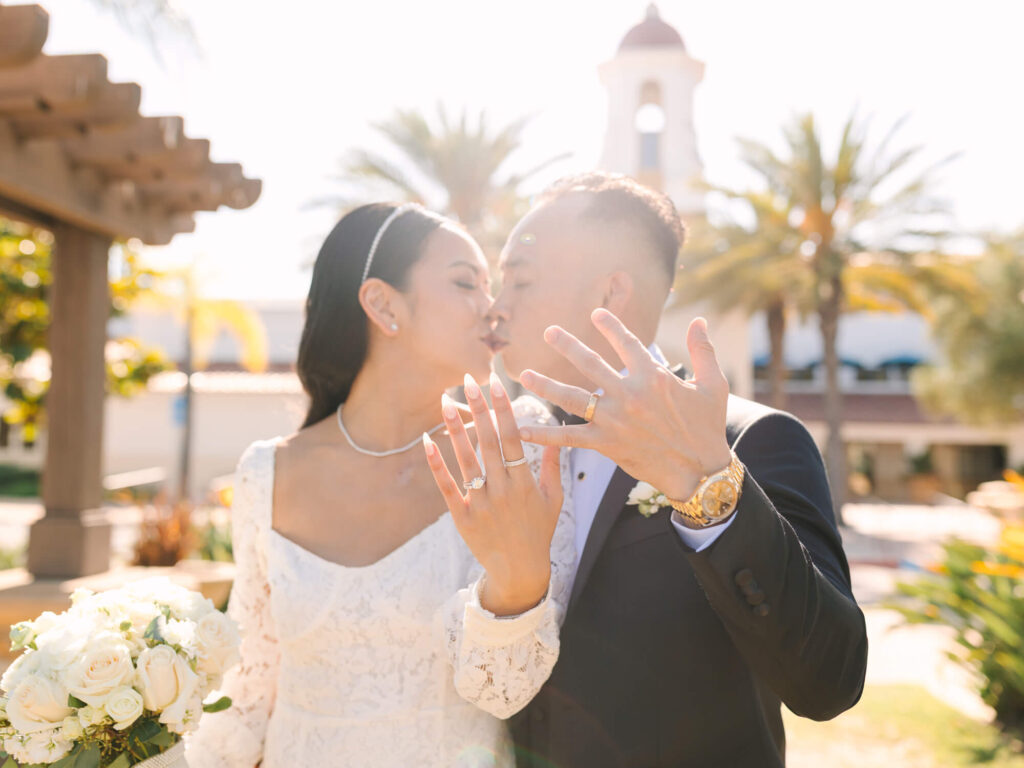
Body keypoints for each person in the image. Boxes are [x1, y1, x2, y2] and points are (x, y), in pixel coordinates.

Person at [486, 172, 868, 768]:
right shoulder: (507, 444)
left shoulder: (753, 441)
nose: (496, 305)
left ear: (611, 294)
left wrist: (705, 482)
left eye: (520, 279)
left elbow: (830, 680)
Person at [185, 202, 576, 768]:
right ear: (382, 305)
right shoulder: (266, 472)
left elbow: (503, 690)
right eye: (467, 283)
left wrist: (518, 586)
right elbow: (247, 693)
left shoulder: (518, 452)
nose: (492, 310)